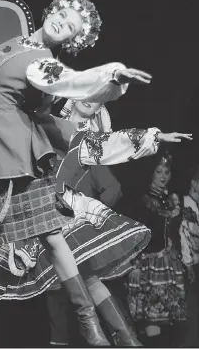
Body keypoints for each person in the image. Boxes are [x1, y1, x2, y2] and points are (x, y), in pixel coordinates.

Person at [0, 0, 158, 346]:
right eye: (62, 15)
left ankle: (87, 321)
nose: (61, 23)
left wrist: (108, 77)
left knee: (52, 237)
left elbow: (65, 82)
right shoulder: (16, 44)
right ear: (51, 10)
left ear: (73, 40)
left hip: (14, 159)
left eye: (70, 27)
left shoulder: (39, 60)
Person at [45, 100, 129, 346]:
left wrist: (90, 215)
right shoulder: (46, 156)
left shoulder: (86, 155)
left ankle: (127, 340)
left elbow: (113, 189)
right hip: (50, 235)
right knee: (54, 300)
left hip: (77, 234)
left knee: (91, 285)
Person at [126, 152, 187, 344]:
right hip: (148, 265)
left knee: (167, 322)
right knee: (151, 323)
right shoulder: (142, 202)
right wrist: (135, 264)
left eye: (166, 172)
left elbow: (173, 232)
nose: (163, 176)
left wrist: (173, 246)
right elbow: (135, 235)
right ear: (150, 174)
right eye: (158, 171)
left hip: (168, 264)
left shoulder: (169, 200)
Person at [179, 164, 199, 346]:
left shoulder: (198, 205)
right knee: (193, 311)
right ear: (194, 182)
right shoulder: (187, 204)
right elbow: (185, 236)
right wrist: (188, 265)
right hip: (193, 264)